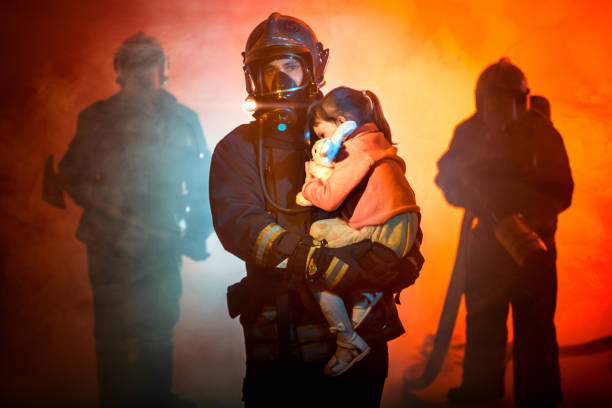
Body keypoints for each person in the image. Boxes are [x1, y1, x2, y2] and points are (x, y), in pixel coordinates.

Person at [209, 13, 423, 407]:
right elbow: (240, 225)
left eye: (290, 65)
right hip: (280, 347)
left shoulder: (351, 137)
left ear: (314, 67)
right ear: (251, 76)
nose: (280, 80)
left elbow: (391, 200)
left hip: (362, 341)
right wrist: (313, 262)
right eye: (267, 70)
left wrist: (402, 256)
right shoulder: (236, 149)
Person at [58, 32, 212, 408]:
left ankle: (155, 398)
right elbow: (72, 175)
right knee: (112, 331)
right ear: (120, 70)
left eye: (151, 64)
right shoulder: (95, 118)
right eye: (134, 64)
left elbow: (202, 183)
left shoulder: (183, 120)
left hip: (162, 242)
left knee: (159, 324)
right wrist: (102, 202)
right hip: (109, 245)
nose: (144, 72)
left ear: (164, 69)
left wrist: (196, 232)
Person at [435, 58, 573, 407]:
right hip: (487, 244)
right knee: (483, 321)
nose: (496, 109)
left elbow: (562, 189)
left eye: (505, 100)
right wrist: (480, 201)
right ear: (480, 99)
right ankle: (480, 392)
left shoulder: (542, 132)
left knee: (536, 327)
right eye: (490, 100)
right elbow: (447, 177)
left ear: (521, 99)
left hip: (534, 244)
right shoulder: (469, 131)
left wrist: (520, 215)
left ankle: (538, 397)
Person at [296, 86, 421, 376]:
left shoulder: (357, 149)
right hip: (401, 228)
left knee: (317, 258)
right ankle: (363, 304)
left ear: (341, 124)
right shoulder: (376, 140)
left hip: (383, 231)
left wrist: (310, 180)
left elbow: (328, 198)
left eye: (323, 135)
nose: (323, 144)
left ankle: (346, 338)